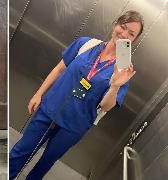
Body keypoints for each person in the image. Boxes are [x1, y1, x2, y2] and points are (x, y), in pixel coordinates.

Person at [9, 10, 144, 180]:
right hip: (49, 110)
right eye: (122, 27)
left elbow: (105, 106)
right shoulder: (86, 44)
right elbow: (59, 68)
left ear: (134, 40)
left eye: (131, 34)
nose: (123, 34)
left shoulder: (123, 71)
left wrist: (116, 85)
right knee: (21, 151)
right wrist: (38, 94)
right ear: (115, 24)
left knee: (45, 163)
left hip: (73, 126)